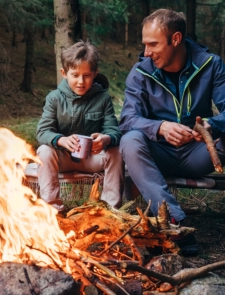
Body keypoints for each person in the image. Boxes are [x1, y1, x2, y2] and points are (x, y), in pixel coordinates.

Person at [119, 9, 225, 256]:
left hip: (199, 153)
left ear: (175, 39)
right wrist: (160, 128)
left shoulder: (211, 65)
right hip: (158, 155)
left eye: (153, 44)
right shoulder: (140, 72)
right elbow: (127, 120)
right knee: (130, 140)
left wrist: (210, 126)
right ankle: (175, 222)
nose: (146, 52)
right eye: (145, 44)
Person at [36, 41, 124, 212]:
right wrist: (61, 140)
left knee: (116, 151)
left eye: (87, 75)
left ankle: (110, 210)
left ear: (95, 73)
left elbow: (114, 131)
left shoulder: (103, 99)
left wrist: (105, 139)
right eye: (75, 75)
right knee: (44, 151)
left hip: (93, 158)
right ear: (64, 73)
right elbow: (42, 132)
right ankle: (52, 209)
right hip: (63, 158)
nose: (81, 82)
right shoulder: (54, 98)